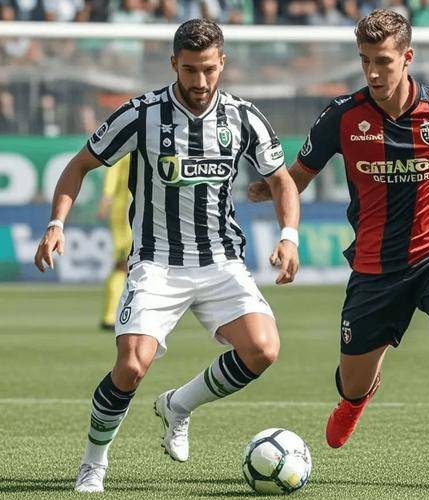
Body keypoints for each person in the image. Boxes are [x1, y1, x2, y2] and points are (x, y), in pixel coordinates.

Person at [249, 8, 429, 489]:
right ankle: (356, 399)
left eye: (383, 61)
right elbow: (298, 176)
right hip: (374, 268)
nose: (373, 72)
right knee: (352, 381)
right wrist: (270, 195)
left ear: (407, 58)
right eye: (365, 61)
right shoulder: (342, 116)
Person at [34, 18, 300, 493]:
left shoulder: (244, 117)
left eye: (209, 69)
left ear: (223, 64)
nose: (200, 80)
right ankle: (93, 463)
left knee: (263, 349)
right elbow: (81, 163)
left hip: (221, 260)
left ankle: (178, 405)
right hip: (156, 262)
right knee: (131, 366)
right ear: (174, 63)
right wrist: (57, 223)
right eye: (190, 69)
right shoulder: (142, 114)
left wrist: (289, 235)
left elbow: (281, 180)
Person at [96, 154, 132, 331]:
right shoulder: (127, 145)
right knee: (123, 265)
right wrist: (106, 198)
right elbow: (113, 170)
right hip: (126, 213)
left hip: (141, 212)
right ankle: (110, 317)